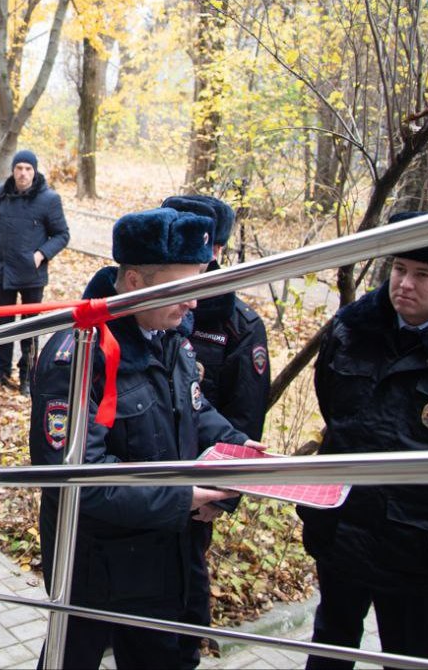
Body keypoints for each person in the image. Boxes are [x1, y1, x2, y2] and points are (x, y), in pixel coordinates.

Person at [28, 208, 258, 669]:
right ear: (134, 280)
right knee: (69, 657)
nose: (194, 302)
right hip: (92, 563)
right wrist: (182, 499)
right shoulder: (79, 354)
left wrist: (243, 453)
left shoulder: (167, 333)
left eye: (200, 284)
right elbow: (76, 478)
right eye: (183, 287)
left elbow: (194, 410)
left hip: (158, 554)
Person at [298, 211, 428, 669]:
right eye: (398, 269)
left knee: (410, 653)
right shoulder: (352, 329)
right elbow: (331, 405)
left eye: (422, 274)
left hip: (419, 543)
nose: (404, 284)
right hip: (343, 527)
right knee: (331, 639)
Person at [161, 194, 270, 667]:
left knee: (186, 572)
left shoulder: (239, 326)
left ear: (216, 252)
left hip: (200, 477)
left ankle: (186, 647)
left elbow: (245, 418)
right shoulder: (146, 307)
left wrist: (224, 494)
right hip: (147, 469)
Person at [0, 149, 70, 395]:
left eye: (28, 168)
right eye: (19, 168)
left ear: (35, 171)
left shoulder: (49, 199)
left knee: (30, 326)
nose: (23, 173)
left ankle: (27, 375)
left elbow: (62, 234)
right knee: (5, 323)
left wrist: (41, 254)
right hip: (2, 271)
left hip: (32, 274)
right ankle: (2, 371)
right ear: (13, 170)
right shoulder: (0, 193)